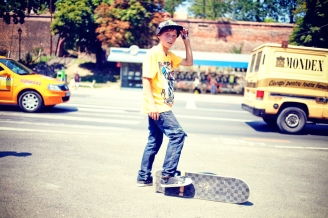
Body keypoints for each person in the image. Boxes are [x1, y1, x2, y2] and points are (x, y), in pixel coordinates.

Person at [137, 20, 193, 187]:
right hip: (158, 105)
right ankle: (168, 176)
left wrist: (186, 41)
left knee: (155, 141)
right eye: (167, 34)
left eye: (174, 36)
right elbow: (146, 79)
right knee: (178, 135)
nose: (171, 38)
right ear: (159, 35)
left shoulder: (169, 55)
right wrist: (152, 105)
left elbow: (189, 62)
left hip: (163, 105)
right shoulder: (153, 53)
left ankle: (143, 177)